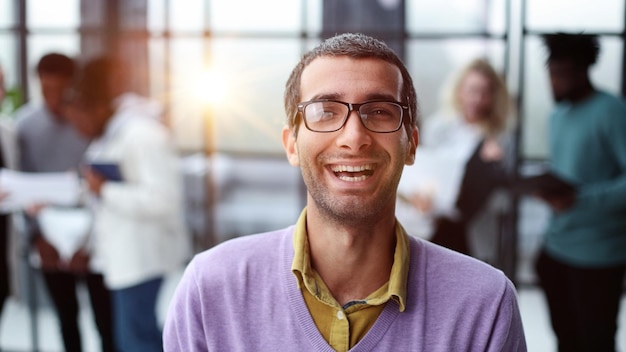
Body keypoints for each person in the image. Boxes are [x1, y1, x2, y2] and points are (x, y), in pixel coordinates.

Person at [162, 32, 526, 351]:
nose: (353, 138)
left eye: (380, 111)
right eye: (324, 111)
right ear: (291, 145)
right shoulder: (209, 290)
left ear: (412, 145)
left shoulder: (486, 305)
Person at [65, 55, 190, 352]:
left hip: (141, 260)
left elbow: (164, 200)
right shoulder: (109, 135)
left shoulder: (144, 135)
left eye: (78, 120)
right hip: (123, 259)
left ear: (94, 108)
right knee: (135, 339)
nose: (77, 129)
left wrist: (105, 189)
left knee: (137, 342)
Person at [14, 53, 114, 352]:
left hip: (95, 240)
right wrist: (37, 237)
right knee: (66, 322)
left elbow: (104, 186)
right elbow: (21, 187)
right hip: (49, 239)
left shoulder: (90, 124)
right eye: (47, 91)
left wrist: (90, 243)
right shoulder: (25, 126)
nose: (55, 100)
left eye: (62, 91)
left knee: (106, 322)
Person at [534, 33, 626, 352]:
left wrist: (581, 199)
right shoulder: (557, 116)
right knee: (566, 341)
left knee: (596, 343)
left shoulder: (612, 110)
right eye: (550, 74)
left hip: (598, 256)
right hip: (555, 248)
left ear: (581, 70)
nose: (553, 83)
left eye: (560, 74)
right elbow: (571, 168)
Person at [397, 58, 513, 258]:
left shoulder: (500, 138)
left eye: (484, 93)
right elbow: (423, 171)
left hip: (472, 230)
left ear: (494, 97)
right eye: (471, 90)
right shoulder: (438, 127)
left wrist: (491, 169)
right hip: (435, 222)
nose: (477, 99)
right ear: (459, 90)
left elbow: (503, 201)